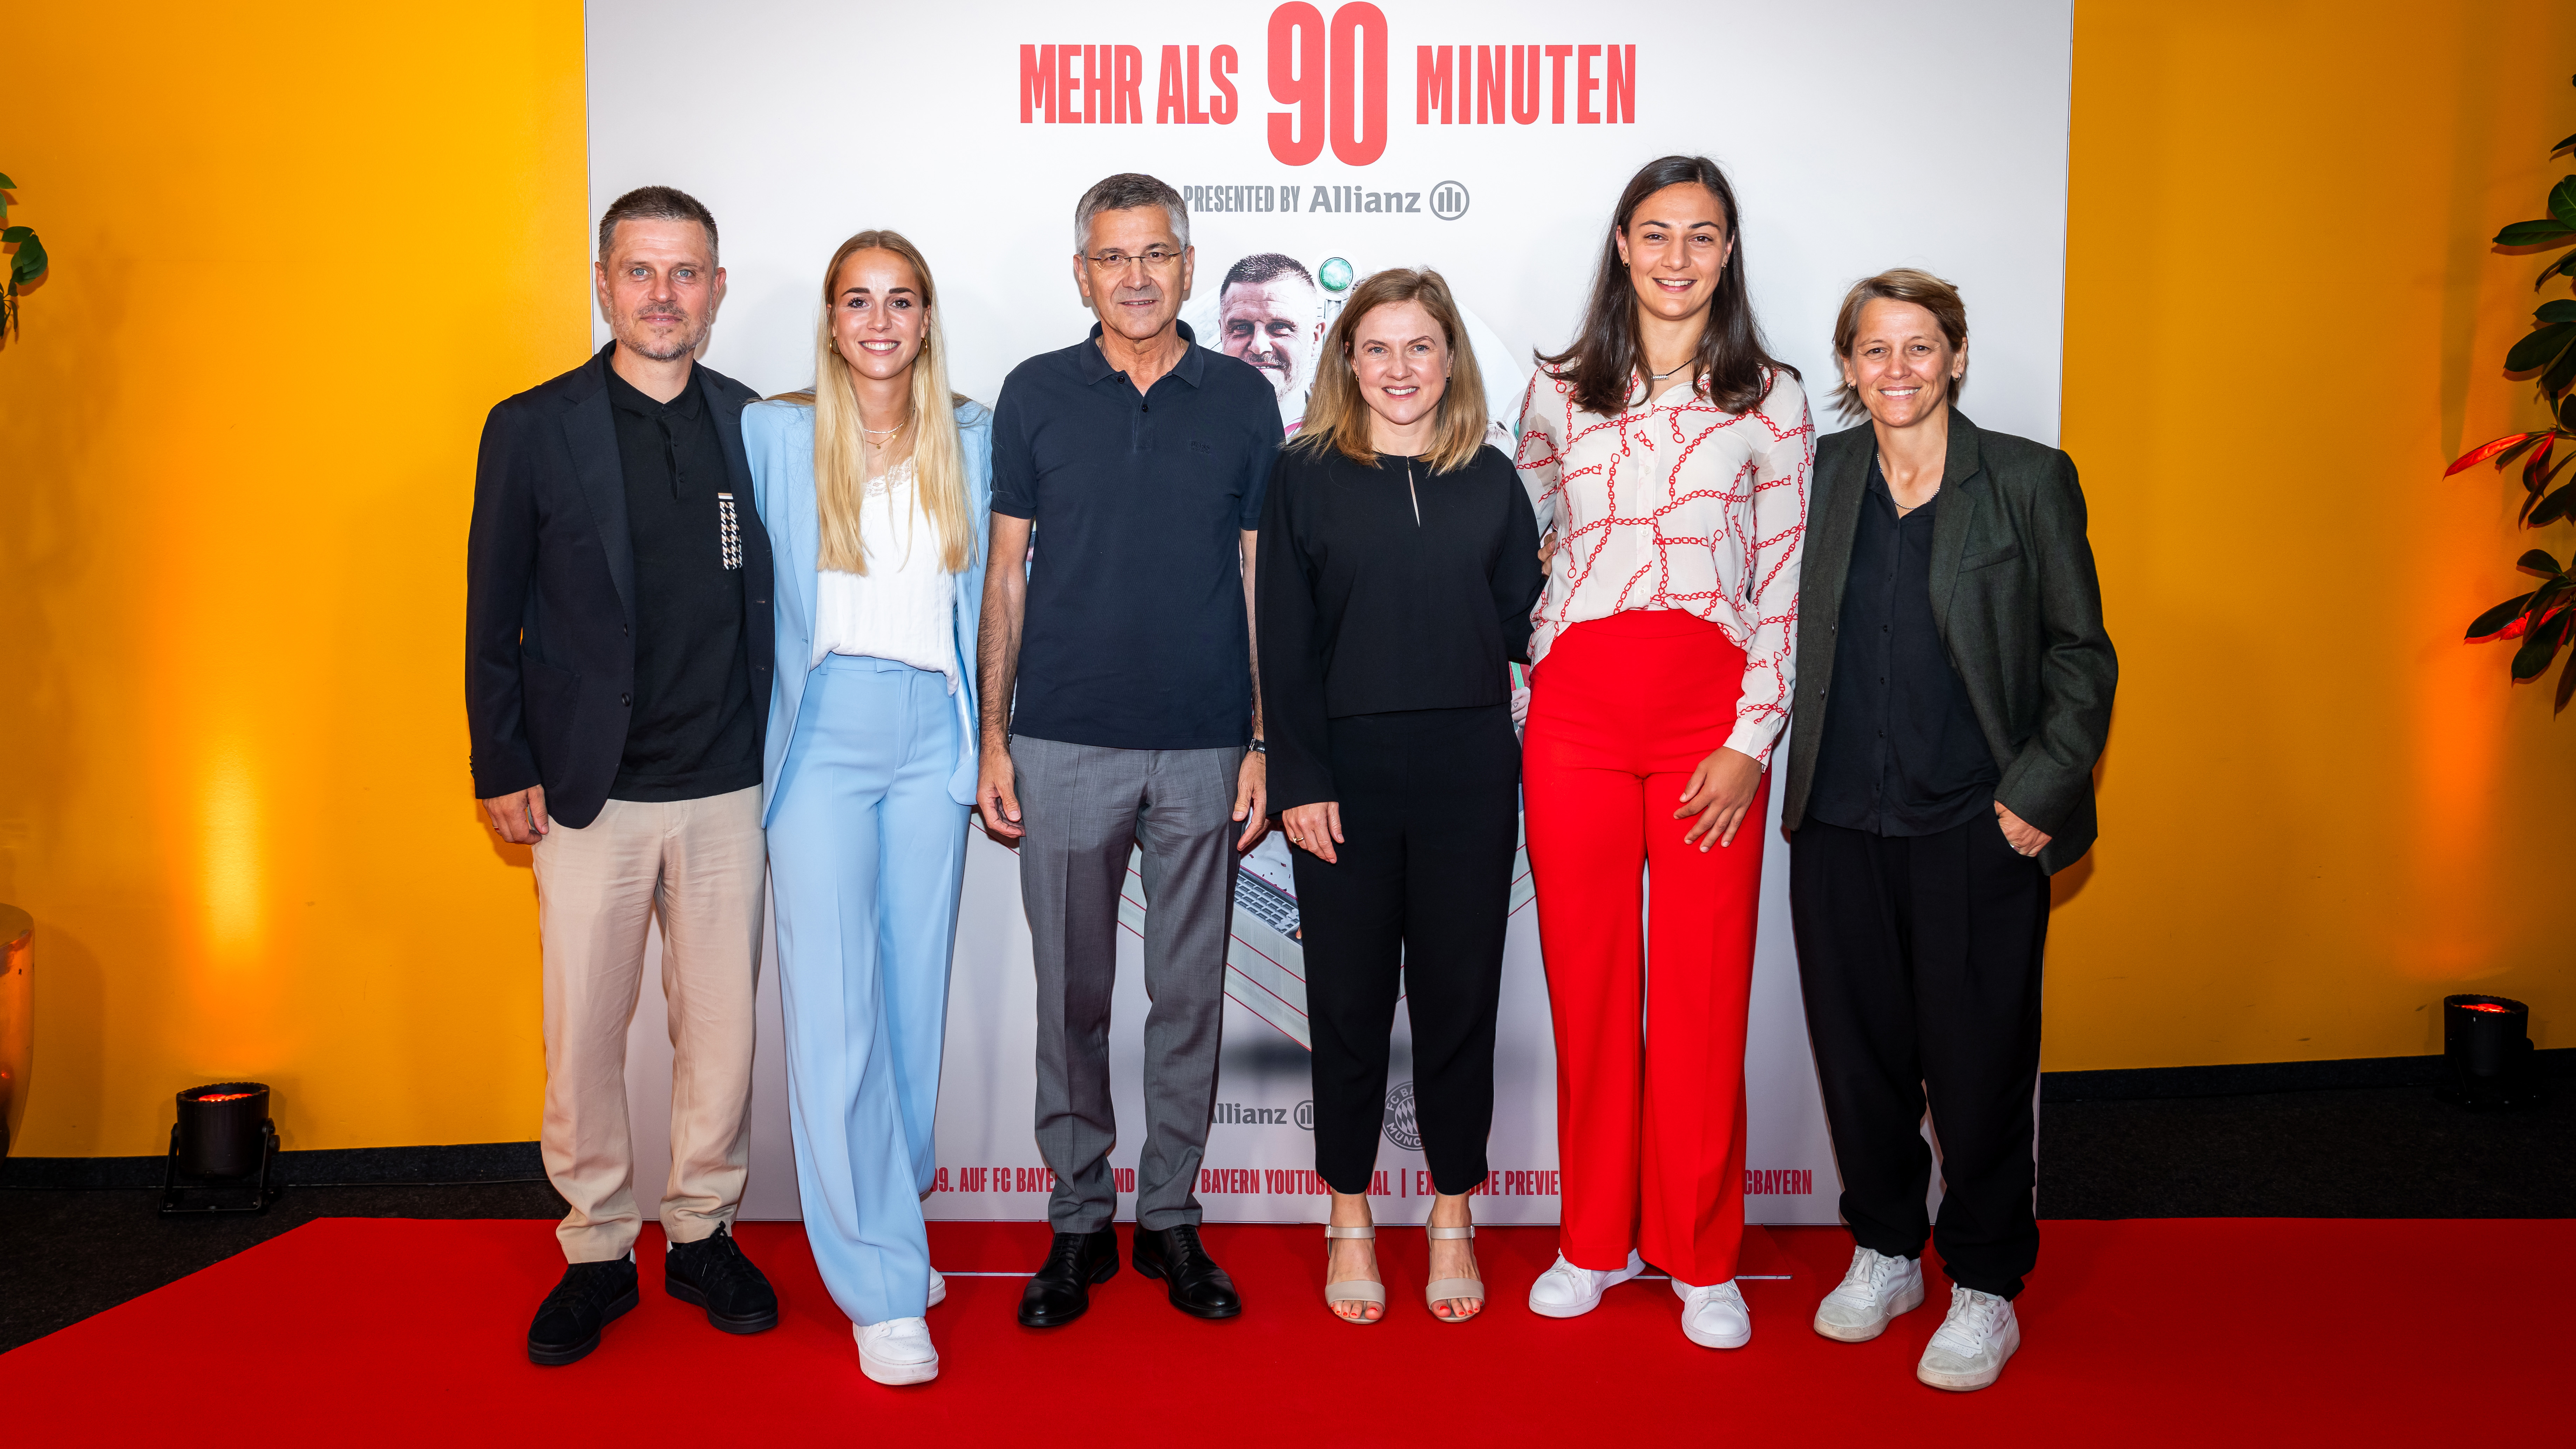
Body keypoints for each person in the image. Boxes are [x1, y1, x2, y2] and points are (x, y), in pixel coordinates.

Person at [1781, 268, 2114, 1392]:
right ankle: (1884, 1250)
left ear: (1956, 357)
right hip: (1836, 822)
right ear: (1846, 369)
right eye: (1873, 351)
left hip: (1978, 825)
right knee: (1859, 1063)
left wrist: (2040, 789)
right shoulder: (1819, 476)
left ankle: (1982, 1282)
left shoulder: (2022, 478)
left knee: (1976, 1067)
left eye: (1919, 349)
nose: (1897, 371)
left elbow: (2080, 654)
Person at [466, 185, 779, 1366]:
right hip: (581, 791)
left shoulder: (753, 425)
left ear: (715, 290)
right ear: (602, 282)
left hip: (727, 787)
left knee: (722, 1035)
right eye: (640, 271)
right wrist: (501, 759)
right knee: (584, 1033)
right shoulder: (532, 425)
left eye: (685, 273)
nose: (662, 295)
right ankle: (596, 1247)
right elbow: (490, 612)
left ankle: (701, 1231)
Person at [1514, 154, 1812, 1349]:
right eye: (1655, 233)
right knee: (1587, 989)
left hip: (1710, 722)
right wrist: (1528, 694)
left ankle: (1697, 1254)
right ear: (1622, 247)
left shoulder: (1773, 398)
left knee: (1697, 993)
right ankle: (1590, 1241)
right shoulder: (1551, 389)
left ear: (1726, 252)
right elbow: (1519, 547)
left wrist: (1751, 737)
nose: (1677, 257)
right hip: (1575, 715)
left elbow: (1782, 586)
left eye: (1701, 235)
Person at [977, 172, 1280, 1327]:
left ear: (1189, 266)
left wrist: (1259, 738)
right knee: (1071, 999)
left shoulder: (1243, 400)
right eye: (1112, 257)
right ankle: (1074, 1224)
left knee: (1187, 995)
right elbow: (1005, 572)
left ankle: (1168, 1220)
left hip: (1204, 743)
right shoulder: (1035, 394)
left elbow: (1258, 576)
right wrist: (993, 740)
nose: (1136, 276)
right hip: (1058, 739)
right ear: (1081, 274)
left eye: (1155, 254)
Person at [1257, 268, 1542, 1326]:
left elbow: (1531, 626)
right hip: (1345, 782)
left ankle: (1452, 1214)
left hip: (1473, 772)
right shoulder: (1304, 476)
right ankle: (1348, 1217)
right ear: (1346, 363)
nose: (1398, 367)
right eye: (1375, 348)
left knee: (1460, 1001)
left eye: (1419, 346)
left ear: (1450, 358)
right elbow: (1281, 643)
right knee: (1347, 1005)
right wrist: (1299, 777)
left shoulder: (1493, 479)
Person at [741, 230, 990, 1386]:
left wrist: (992, 737)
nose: (878, 322)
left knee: (908, 1011)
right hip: (823, 740)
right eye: (857, 301)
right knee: (835, 1012)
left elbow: (1001, 601)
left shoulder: (976, 439)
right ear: (831, 321)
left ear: (925, 318)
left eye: (900, 301)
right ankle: (881, 1287)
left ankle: (890, 1218)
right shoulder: (773, 435)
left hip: (935, 734)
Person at [1215, 252, 1324, 431]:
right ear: (1222, 334)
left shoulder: (1356, 445)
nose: (1258, 346)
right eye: (1241, 327)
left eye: (1280, 326)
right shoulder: (1179, 433)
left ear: (1315, 338)